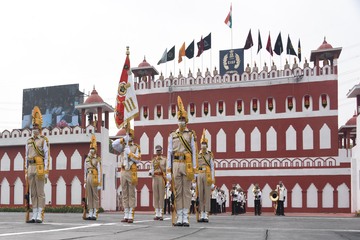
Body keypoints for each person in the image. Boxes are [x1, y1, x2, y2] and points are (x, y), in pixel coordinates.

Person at [166, 96, 197, 227]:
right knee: (177, 191)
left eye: (183, 119)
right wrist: (168, 170)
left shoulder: (190, 134)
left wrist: (195, 170)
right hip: (176, 164)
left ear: (186, 120)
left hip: (188, 165)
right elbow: (169, 153)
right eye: (179, 119)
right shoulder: (172, 135)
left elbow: (194, 152)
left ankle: (185, 216)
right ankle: (179, 216)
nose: (181, 121)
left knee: (187, 191)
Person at [25, 106, 50, 223]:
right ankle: (34, 214)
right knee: (33, 193)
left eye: (36, 125)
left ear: (40, 127)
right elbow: (26, 156)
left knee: (40, 192)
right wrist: (26, 170)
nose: (34, 127)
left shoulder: (43, 140)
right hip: (30, 168)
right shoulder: (29, 141)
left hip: (40, 167)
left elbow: (47, 155)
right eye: (33, 125)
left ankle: (40, 214)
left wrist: (46, 171)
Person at [112, 127, 141, 223]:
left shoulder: (136, 147)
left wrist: (130, 154)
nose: (129, 137)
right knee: (124, 192)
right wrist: (123, 139)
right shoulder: (123, 147)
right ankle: (126, 213)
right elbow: (113, 144)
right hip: (123, 171)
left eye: (130, 135)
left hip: (131, 172)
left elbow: (138, 159)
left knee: (131, 193)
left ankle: (131, 215)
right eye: (128, 135)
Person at [197, 129, 215, 222]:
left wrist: (212, 181)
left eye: (205, 143)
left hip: (207, 175)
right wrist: (194, 180)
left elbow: (212, 168)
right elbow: (195, 167)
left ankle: (206, 214)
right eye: (202, 143)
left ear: (207, 145)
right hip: (200, 174)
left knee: (207, 195)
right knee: (200, 194)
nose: (203, 145)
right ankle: (201, 214)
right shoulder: (197, 155)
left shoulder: (210, 155)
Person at [83, 134, 102, 220]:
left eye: (93, 149)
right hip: (88, 176)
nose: (91, 150)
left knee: (95, 195)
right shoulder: (86, 159)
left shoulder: (97, 159)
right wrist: (84, 181)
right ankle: (90, 212)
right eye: (91, 149)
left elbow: (100, 171)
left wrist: (99, 183)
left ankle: (95, 212)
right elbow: (84, 171)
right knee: (89, 196)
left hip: (94, 176)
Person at [149, 145, 167, 220]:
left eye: (159, 150)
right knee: (155, 195)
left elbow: (166, 169)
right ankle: (157, 213)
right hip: (155, 177)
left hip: (161, 177)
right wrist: (151, 172)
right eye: (157, 150)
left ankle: (161, 213)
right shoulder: (153, 160)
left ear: (161, 151)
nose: (158, 152)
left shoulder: (164, 159)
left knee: (161, 195)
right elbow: (151, 169)